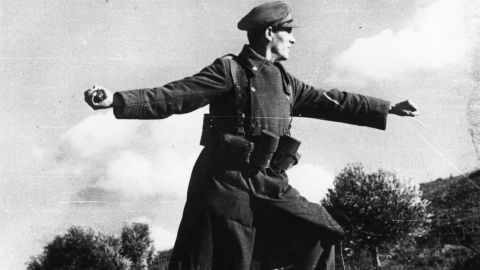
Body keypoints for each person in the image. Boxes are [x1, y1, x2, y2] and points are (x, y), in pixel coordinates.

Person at [84, 1, 417, 269]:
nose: (294, 39)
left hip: (270, 183)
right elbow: (177, 94)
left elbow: (334, 101)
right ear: (270, 32)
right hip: (225, 183)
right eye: (289, 32)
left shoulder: (288, 83)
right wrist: (118, 99)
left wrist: (386, 107)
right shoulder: (229, 70)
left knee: (322, 232)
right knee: (225, 261)